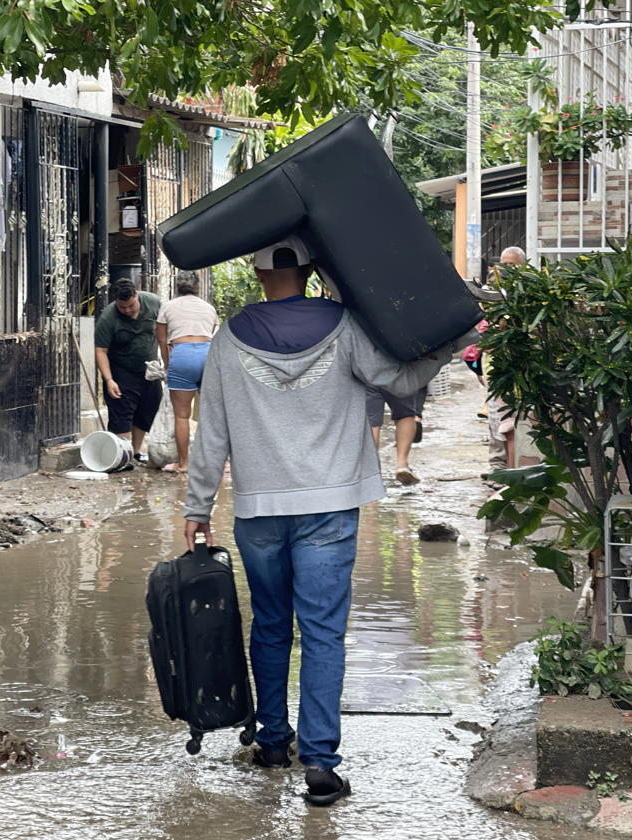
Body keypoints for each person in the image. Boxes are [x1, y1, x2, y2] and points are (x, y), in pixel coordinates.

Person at [182, 237, 475, 806]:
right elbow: (401, 379)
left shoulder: (227, 340)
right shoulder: (345, 327)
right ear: (312, 269)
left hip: (259, 510)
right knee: (321, 633)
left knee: (269, 625)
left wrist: (197, 510)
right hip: (330, 508)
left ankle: (272, 741)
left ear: (256, 271)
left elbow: (209, 433)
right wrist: (458, 341)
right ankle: (320, 762)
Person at [94, 278, 162, 464]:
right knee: (121, 413)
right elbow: (100, 351)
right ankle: (121, 457)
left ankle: (137, 451)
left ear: (136, 295)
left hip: (150, 369)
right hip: (121, 370)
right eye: (122, 307)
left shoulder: (154, 303)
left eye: (131, 305)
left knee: (146, 411)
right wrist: (109, 380)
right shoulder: (108, 318)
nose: (128, 311)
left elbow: (165, 332)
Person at [156, 271, 219, 473]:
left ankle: (184, 464)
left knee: (182, 416)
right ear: (197, 286)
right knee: (214, 414)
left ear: (177, 287)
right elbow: (214, 335)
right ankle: (223, 462)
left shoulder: (167, 307)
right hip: (208, 354)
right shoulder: (209, 308)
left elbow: (162, 340)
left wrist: (167, 366)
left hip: (181, 355)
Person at [483, 246, 526, 480]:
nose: (508, 269)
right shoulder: (491, 293)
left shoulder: (527, 293)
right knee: (497, 420)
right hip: (496, 367)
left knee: (511, 424)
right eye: (504, 264)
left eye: (513, 265)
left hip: (518, 368)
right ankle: (499, 467)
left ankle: (511, 474)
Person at [365, 385, 427, 485]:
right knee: (405, 416)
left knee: (371, 422)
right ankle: (402, 464)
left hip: (369, 375)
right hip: (399, 376)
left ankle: (370, 470)